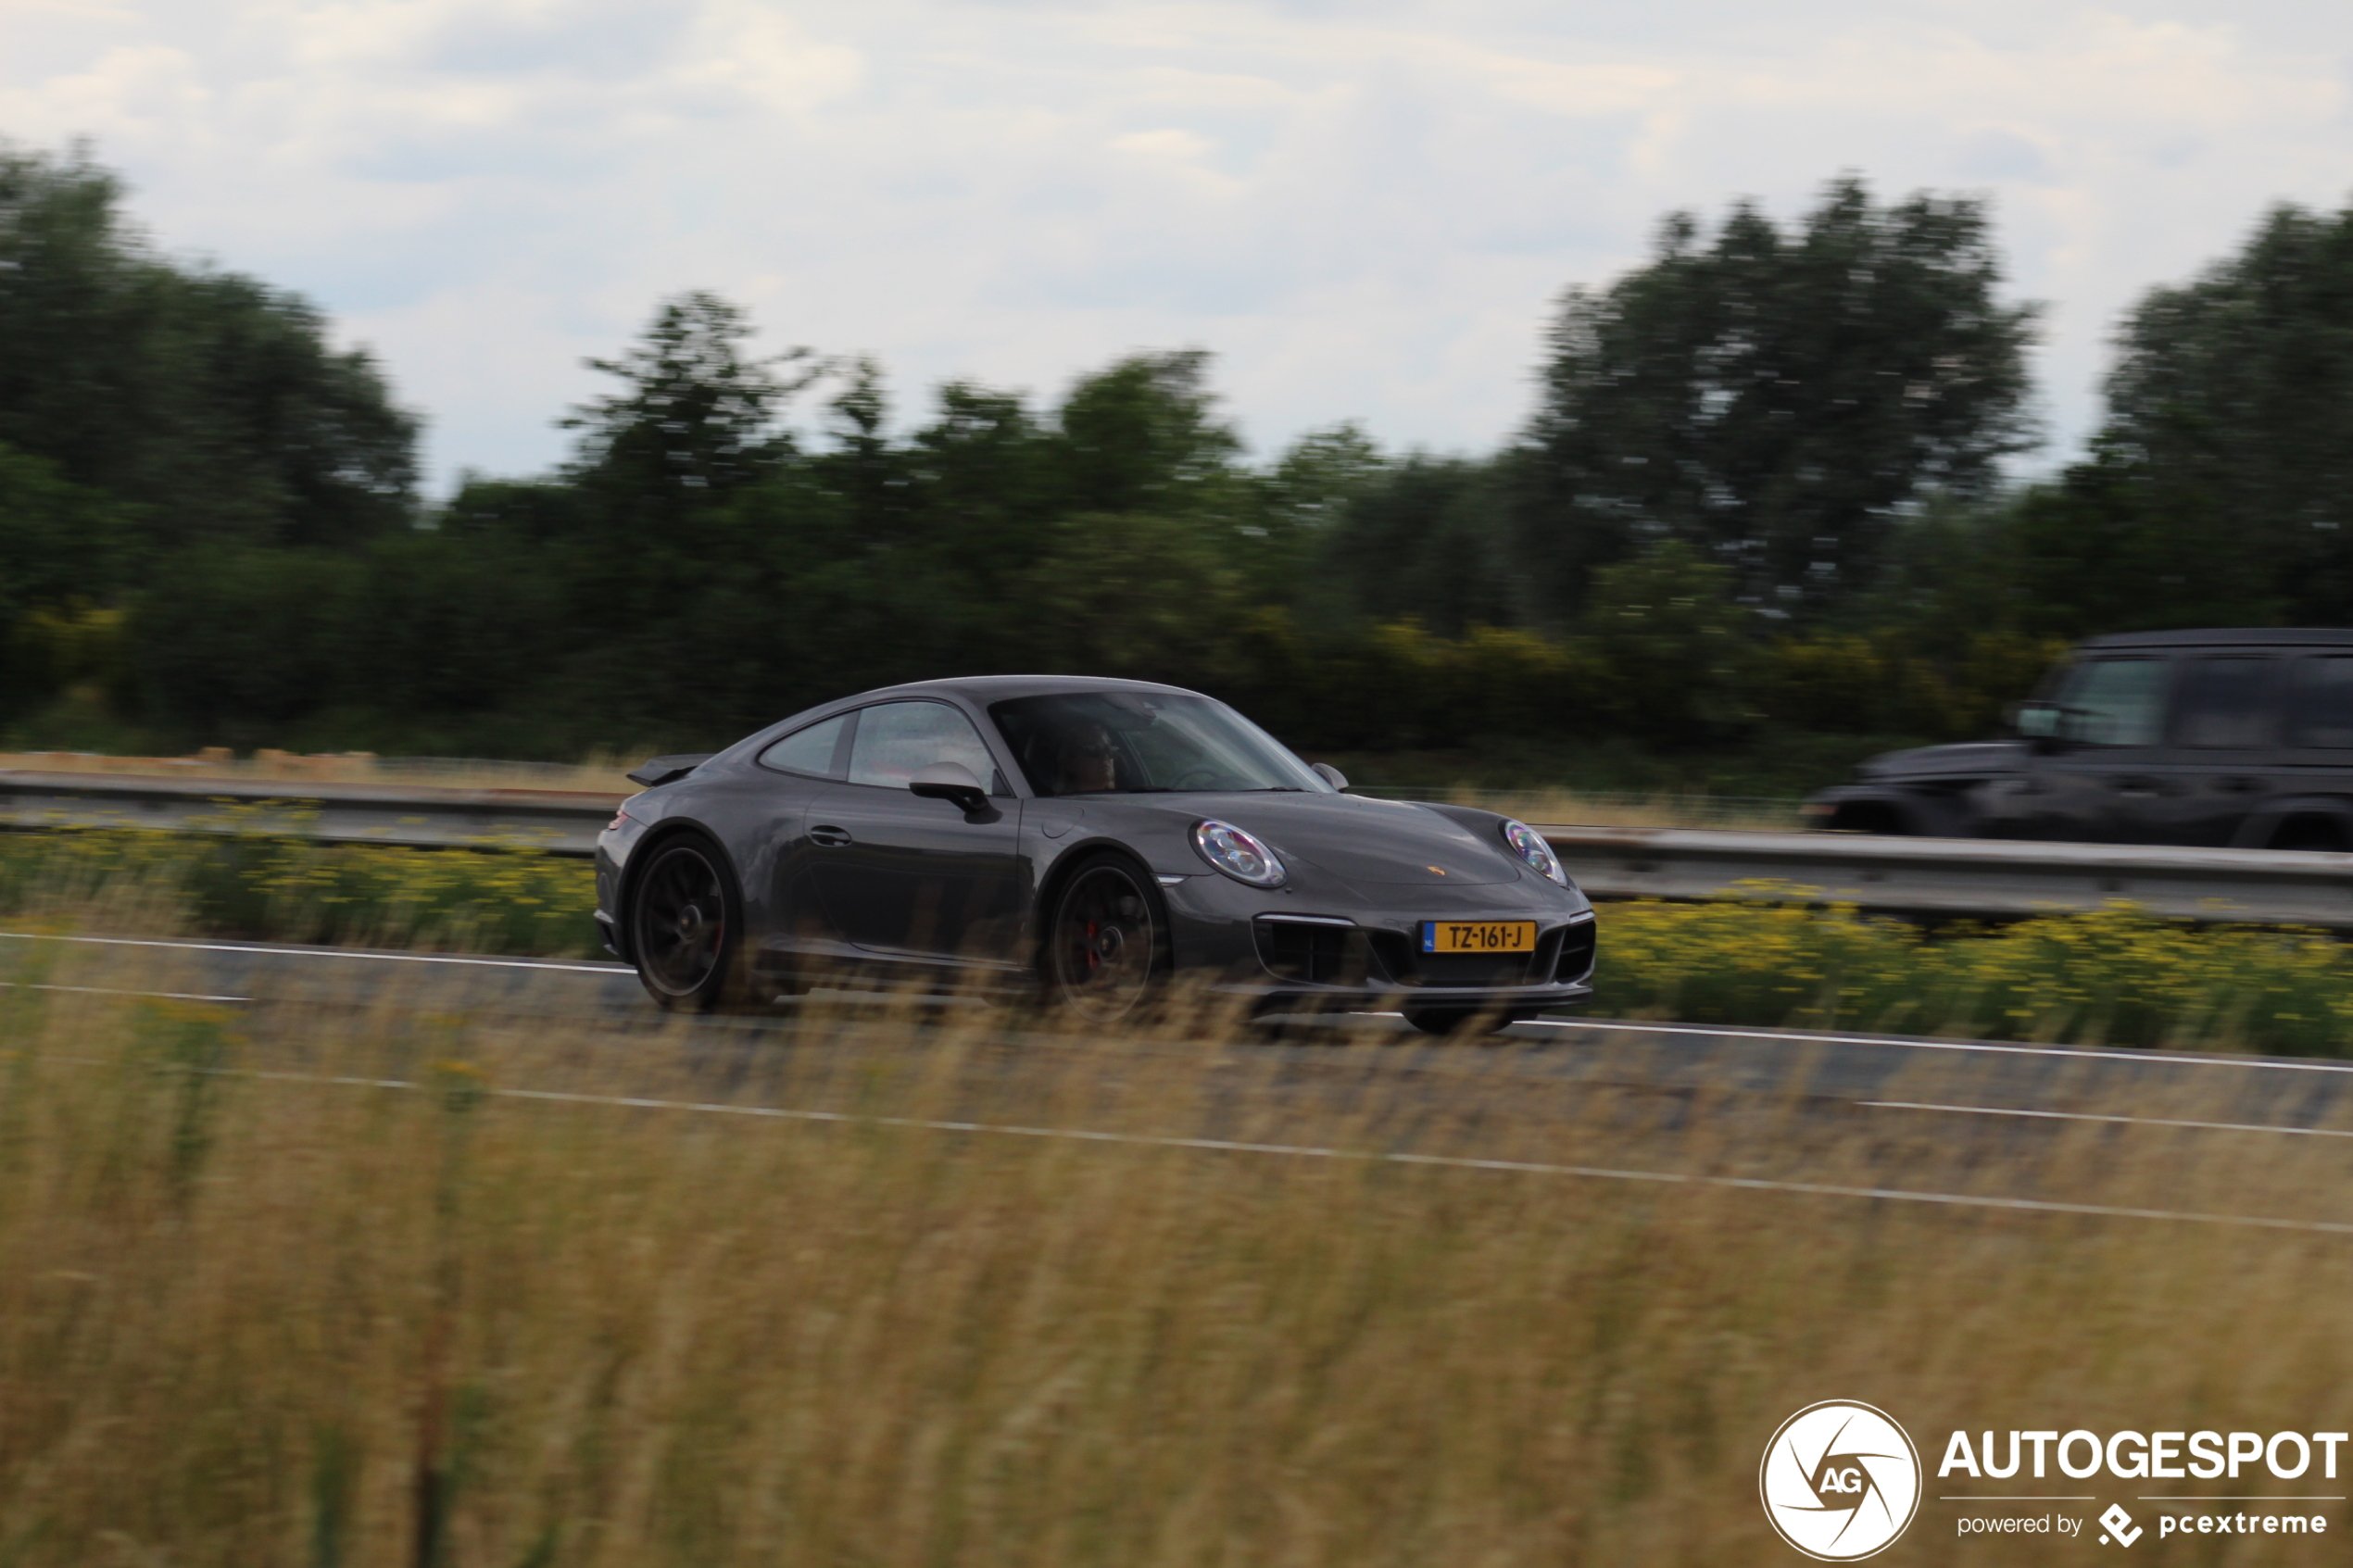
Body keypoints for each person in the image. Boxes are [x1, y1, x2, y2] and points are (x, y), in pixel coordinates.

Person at [1056, 722, 1119, 793]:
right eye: (1094, 749)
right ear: (1070, 762)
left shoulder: (1126, 799)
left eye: (1109, 750)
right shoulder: (1056, 802)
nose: (1105, 756)